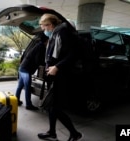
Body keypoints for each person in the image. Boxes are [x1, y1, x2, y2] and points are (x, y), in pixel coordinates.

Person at [37, 13, 83, 141]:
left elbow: (73, 54)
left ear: (50, 25)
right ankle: (52, 132)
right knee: (51, 106)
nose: (43, 30)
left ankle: (75, 134)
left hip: (61, 76)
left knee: (54, 107)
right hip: (53, 76)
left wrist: (57, 67)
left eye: (43, 27)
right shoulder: (55, 34)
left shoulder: (63, 32)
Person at [15, 33, 48, 110]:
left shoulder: (37, 45)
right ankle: (29, 105)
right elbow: (38, 60)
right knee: (27, 87)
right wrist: (45, 64)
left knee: (20, 86)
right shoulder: (41, 47)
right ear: (46, 40)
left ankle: (16, 101)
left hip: (22, 68)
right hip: (26, 70)